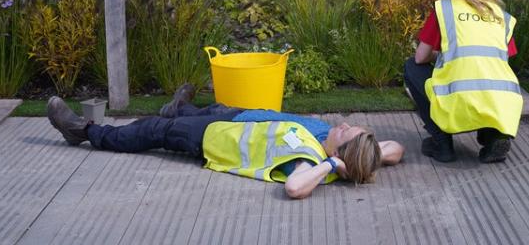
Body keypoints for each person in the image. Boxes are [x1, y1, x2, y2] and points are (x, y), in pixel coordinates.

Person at [46, 84, 404, 199]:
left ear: (340, 154)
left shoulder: (310, 161)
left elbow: (295, 188)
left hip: (210, 141)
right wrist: (371, 159)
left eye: (347, 131)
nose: (342, 124)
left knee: (151, 130)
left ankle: (86, 131)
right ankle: (179, 108)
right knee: (203, 109)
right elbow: (394, 150)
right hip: (234, 120)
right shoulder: (340, 146)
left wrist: (331, 167)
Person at [403, 0, 523, 164]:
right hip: (499, 100)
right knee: (484, 80)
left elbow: (421, 57)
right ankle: (494, 136)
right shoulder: (500, 15)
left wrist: (442, 54)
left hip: (457, 98)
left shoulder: (445, 9)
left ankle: (442, 143)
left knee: (412, 67)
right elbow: (503, 57)